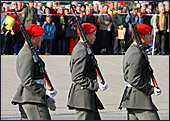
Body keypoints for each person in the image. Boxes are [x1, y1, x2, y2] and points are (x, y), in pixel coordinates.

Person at [11, 24, 57, 120]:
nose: (42, 39)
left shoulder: (31, 51)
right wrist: (44, 92)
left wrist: (46, 97)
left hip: (33, 98)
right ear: (33, 38)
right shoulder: (27, 54)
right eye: (40, 36)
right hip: (32, 99)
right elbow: (27, 81)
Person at [119, 24, 161, 120]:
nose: (151, 37)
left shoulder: (137, 50)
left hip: (135, 98)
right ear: (141, 37)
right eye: (148, 35)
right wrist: (151, 89)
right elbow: (134, 79)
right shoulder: (135, 53)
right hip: (139, 99)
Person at [67, 23, 108, 120]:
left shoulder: (85, 48)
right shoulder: (81, 50)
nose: (95, 37)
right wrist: (95, 84)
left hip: (87, 94)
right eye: (93, 34)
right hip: (83, 96)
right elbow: (77, 76)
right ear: (87, 35)